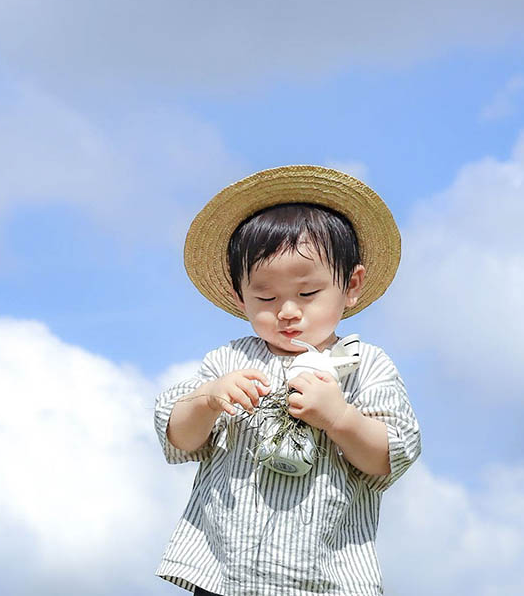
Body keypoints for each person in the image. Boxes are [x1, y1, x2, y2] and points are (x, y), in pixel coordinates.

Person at [154, 165, 421, 595]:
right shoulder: (231, 359)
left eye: (308, 293)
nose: (288, 311)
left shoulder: (365, 365)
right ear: (240, 295)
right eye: (265, 296)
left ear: (351, 285)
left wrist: (340, 419)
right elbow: (178, 437)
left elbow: (391, 456)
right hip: (223, 574)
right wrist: (206, 401)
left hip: (323, 578)